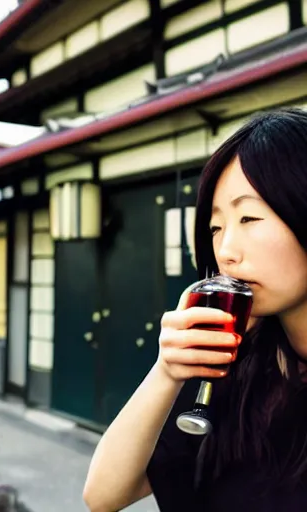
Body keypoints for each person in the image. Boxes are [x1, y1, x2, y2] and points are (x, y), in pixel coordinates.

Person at [83, 107, 307, 512]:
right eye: (216, 228)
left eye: (249, 217)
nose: (225, 252)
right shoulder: (237, 360)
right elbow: (103, 495)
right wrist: (166, 370)